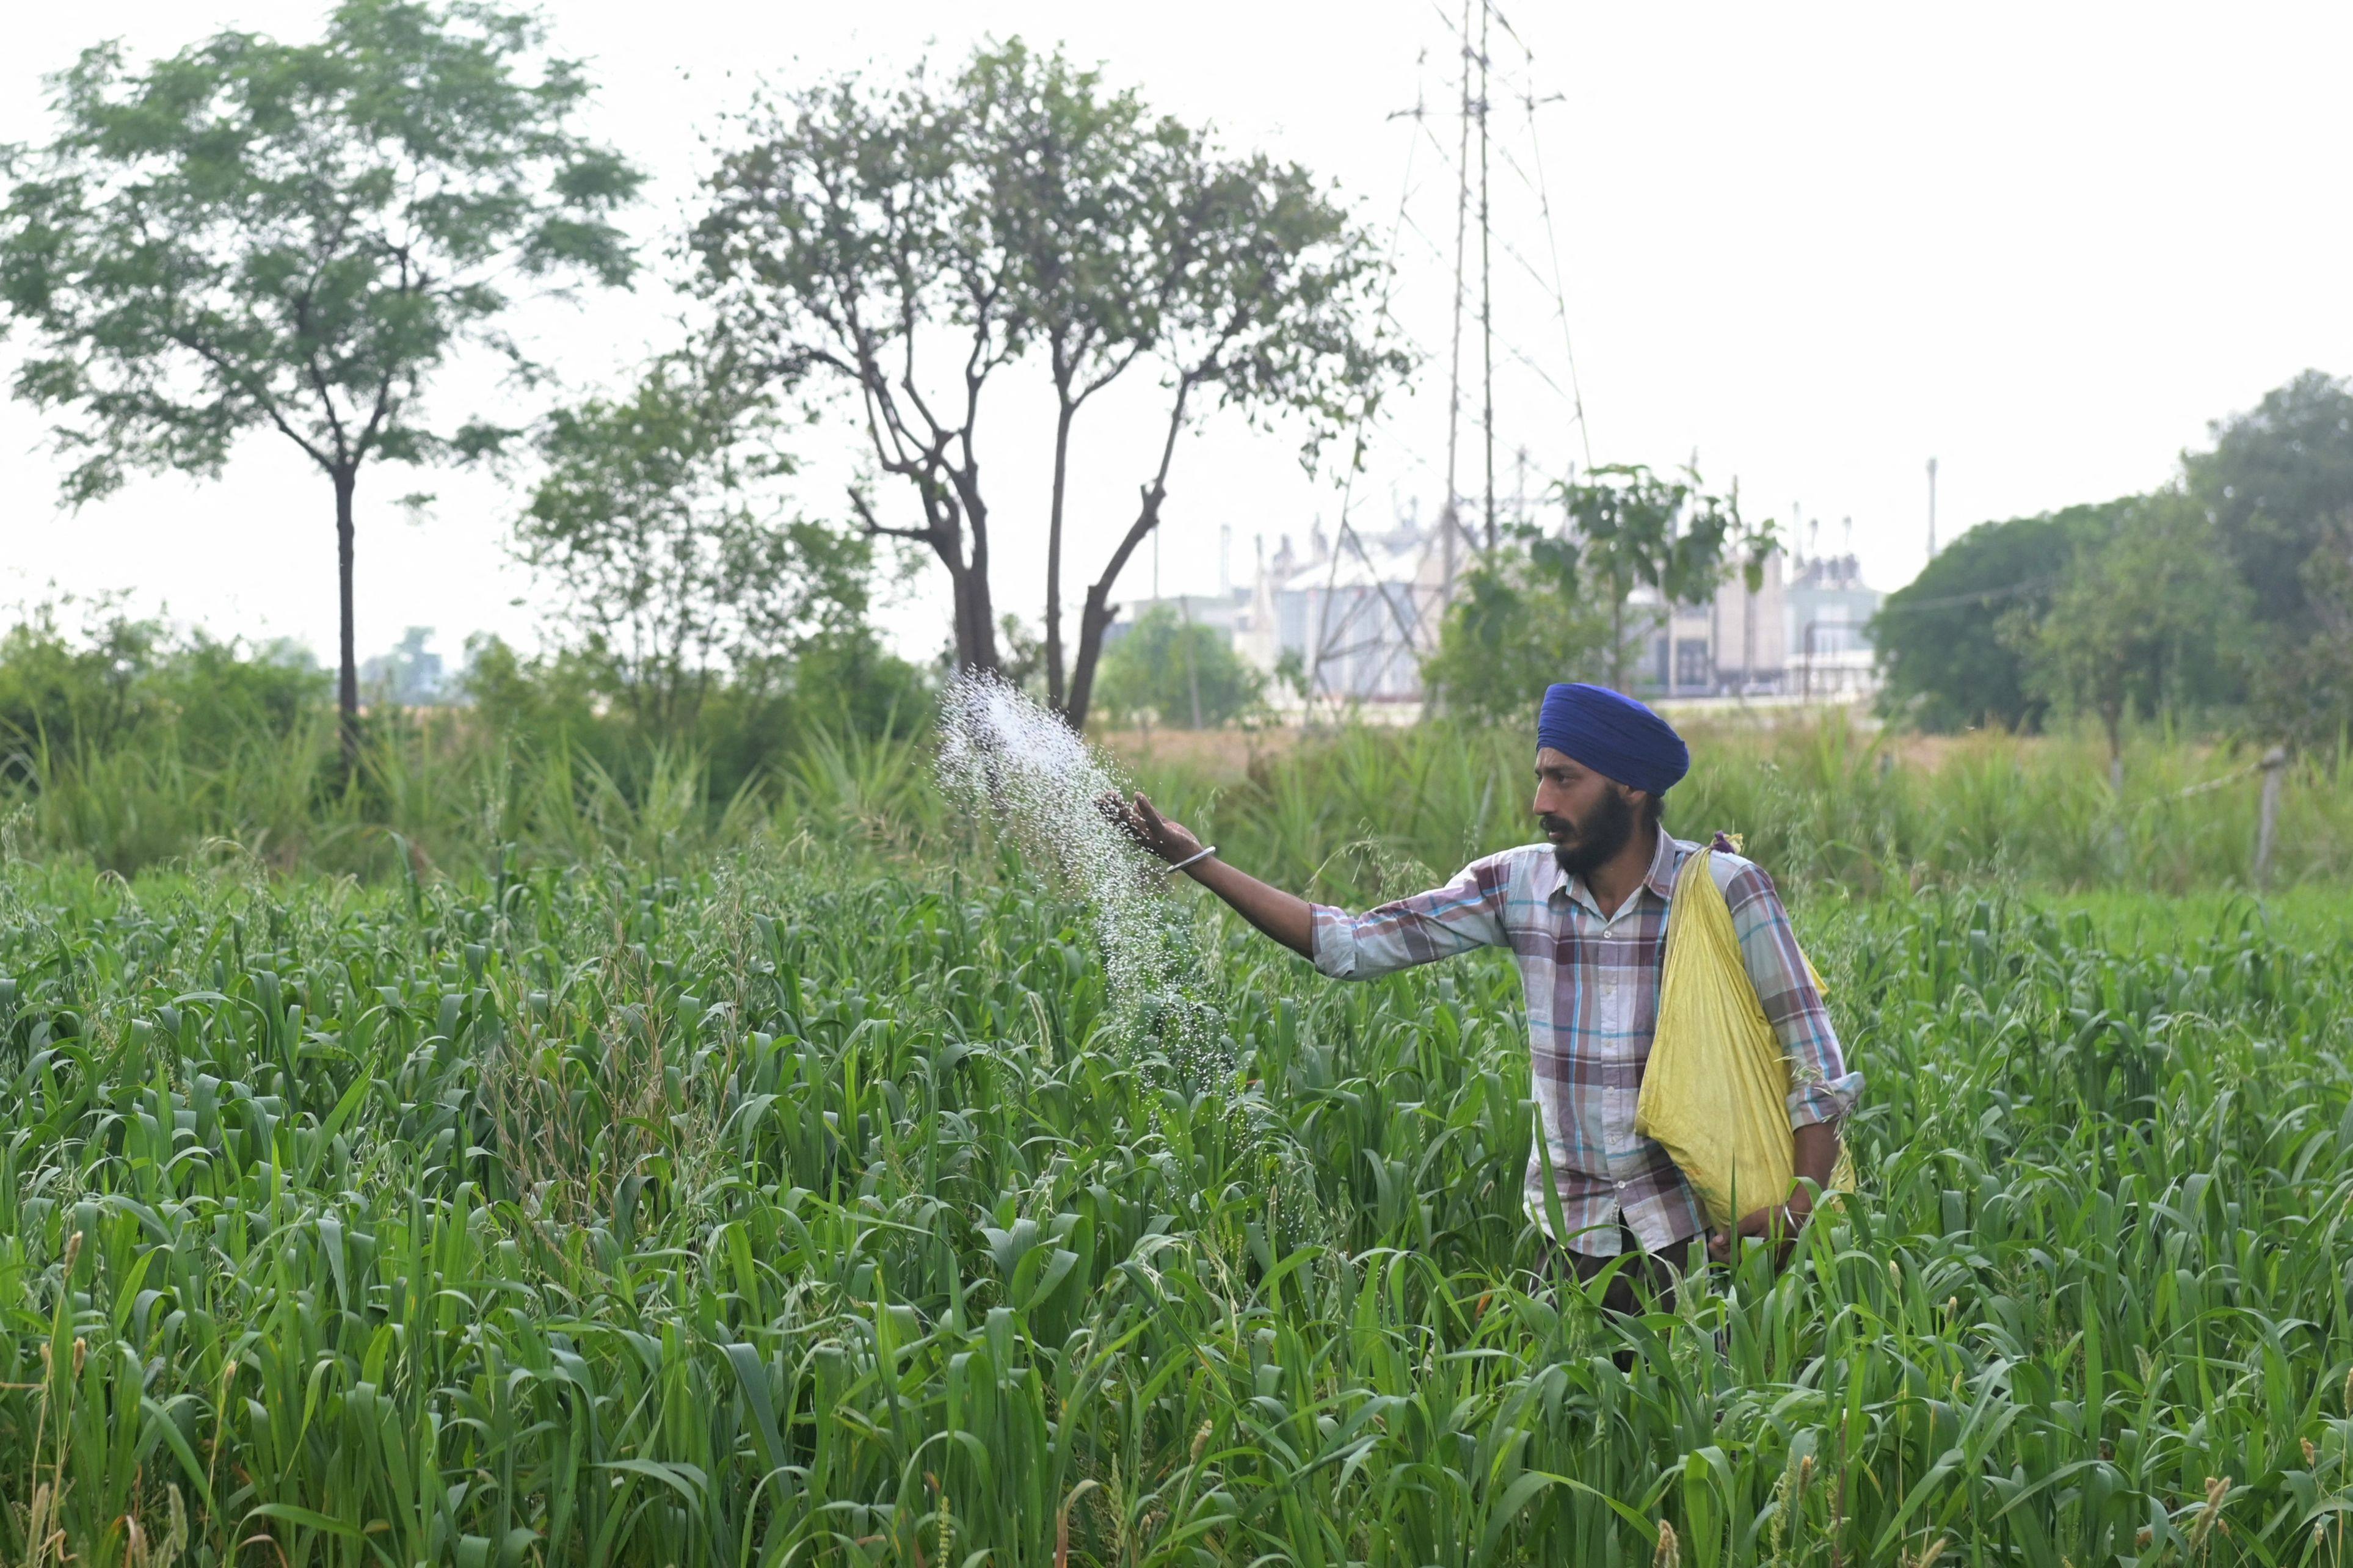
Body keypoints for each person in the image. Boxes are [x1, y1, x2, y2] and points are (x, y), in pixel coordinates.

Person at [1105, 681, 1861, 1313]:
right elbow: (1353, 945)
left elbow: (1815, 1059)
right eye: (1540, 776)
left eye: (1564, 778)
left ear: (1631, 786)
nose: (1540, 800)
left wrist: (1798, 1206)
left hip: (1693, 1245)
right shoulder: (1516, 885)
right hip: (1565, 1246)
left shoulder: (1724, 892)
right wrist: (1195, 859)